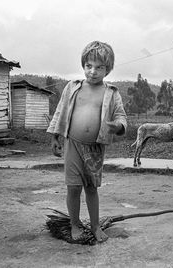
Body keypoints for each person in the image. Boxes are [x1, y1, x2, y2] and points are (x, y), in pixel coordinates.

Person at [47, 41, 127, 243]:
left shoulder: (112, 93)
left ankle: (95, 225)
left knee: (91, 188)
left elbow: (121, 116)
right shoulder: (73, 87)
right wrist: (55, 137)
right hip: (72, 143)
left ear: (107, 70)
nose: (93, 72)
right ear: (83, 65)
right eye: (89, 66)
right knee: (73, 187)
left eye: (99, 67)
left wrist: (117, 126)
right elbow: (60, 112)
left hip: (95, 148)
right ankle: (74, 224)